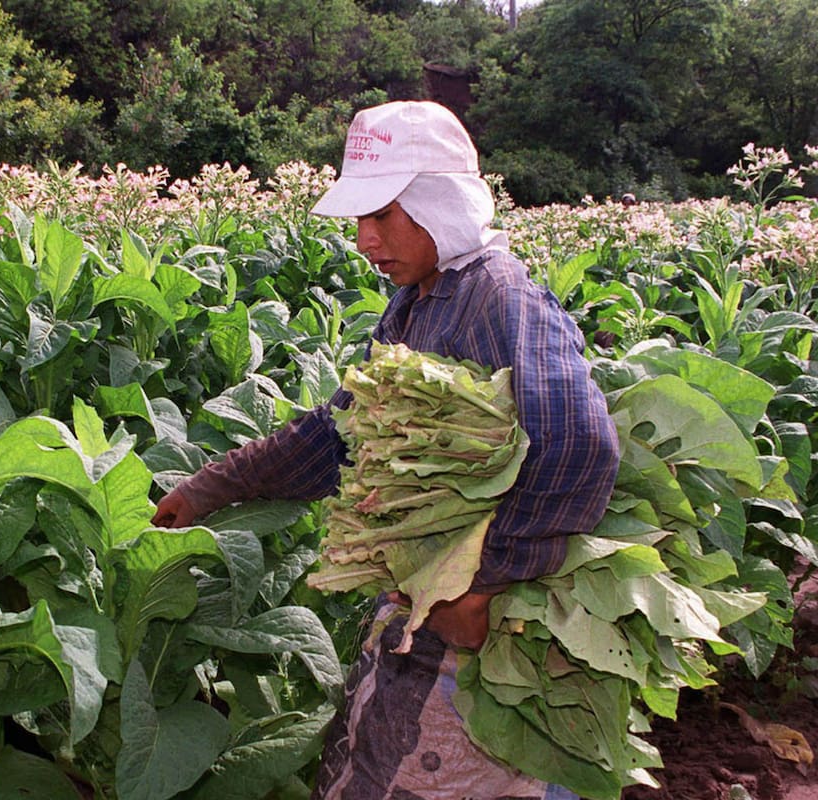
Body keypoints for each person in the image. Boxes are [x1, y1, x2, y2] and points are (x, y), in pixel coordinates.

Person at [152, 100, 620, 800]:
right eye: (359, 220)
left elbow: (580, 445)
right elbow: (341, 432)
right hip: (427, 602)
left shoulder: (497, 298)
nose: (366, 240)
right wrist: (214, 486)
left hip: (487, 627)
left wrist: (484, 582)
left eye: (385, 216)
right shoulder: (417, 299)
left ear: (440, 205)